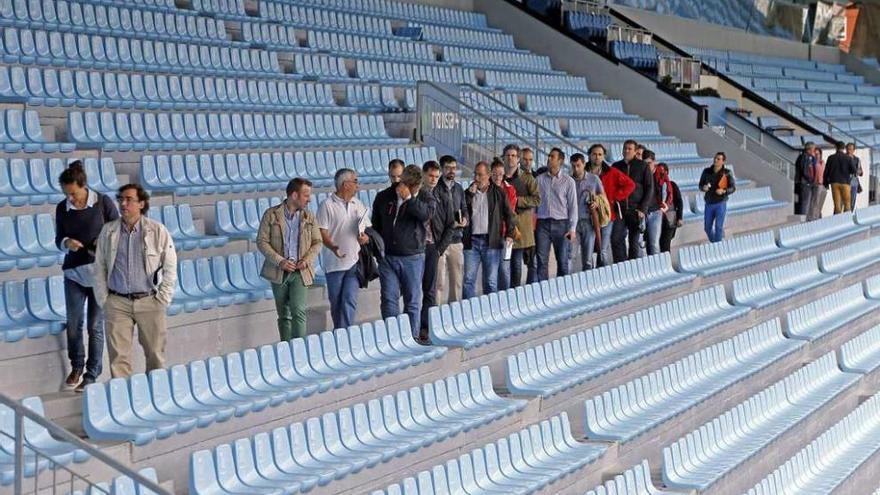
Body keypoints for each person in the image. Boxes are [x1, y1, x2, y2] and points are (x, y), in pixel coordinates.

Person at [93, 184, 176, 379]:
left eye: (129, 199)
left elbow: (170, 265)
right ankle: (124, 404)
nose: (123, 203)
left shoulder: (157, 230)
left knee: (155, 355)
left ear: (142, 203)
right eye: (121, 199)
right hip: (117, 302)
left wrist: (163, 297)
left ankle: (157, 398)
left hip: (150, 301)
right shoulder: (108, 231)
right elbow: (99, 267)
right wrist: (104, 300)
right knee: (118, 358)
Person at [55, 161, 120, 392]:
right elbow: (58, 239)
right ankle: (76, 366)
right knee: (74, 324)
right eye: (66, 194)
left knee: (95, 326)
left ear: (83, 186)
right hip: (74, 273)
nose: (69, 198)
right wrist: (66, 243)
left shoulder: (102, 202)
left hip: (100, 276)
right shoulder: (62, 208)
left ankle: (91, 375)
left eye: (72, 193)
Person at [257, 178, 322, 341]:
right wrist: (280, 261)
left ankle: (299, 350)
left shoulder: (309, 217)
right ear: (294, 195)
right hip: (278, 270)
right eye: (306, 195)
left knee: (298, 310)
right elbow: (261, 241)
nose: (309, 199)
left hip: (300, 272)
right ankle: (286, 349)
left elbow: (317, 242)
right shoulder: (271, 215)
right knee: (283, 314)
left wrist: (306, 260)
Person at [372, 165, 430, 336]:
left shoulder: (425, 196)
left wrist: (410, 199)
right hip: (388, 257)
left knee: (412, 301)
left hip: (413, 257)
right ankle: (392, 338)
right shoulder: (384, 196)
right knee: (389, 299)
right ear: (404, 182)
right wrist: (379, 252)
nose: (416, 189)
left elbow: (426, 215)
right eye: (412, 186)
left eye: (417, 187)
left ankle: (412, 338)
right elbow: (376, 226)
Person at [317, 169, 370, 330]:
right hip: (334, 264)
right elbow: (321, 231)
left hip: (354, 262)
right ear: (345, 184)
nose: (357, 186)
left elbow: (366, 230)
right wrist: (333, 247)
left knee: (350, 300)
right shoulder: (327, 205)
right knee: (337, 302)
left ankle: (345, 335)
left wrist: (365, 238)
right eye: (355, 181)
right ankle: (339, 333)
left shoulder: (358, 204)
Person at [462, 161, 516, 299]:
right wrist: (469, 196)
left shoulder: (499, 193)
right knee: (468, 279)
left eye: (480, 175)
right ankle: (469, 312)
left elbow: (509, 215)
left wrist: (510, 234)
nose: (477, 178)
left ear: (488, 175)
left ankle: (490, 311)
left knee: (491, 281)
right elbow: (461, 212)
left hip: (491, 241)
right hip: (471, 242)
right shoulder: (468, 193)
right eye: (475, 174)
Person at [420, 161, 455, 339]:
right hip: (415, 248)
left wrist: (440, 249)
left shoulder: (444, 195)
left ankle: (426, 327)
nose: (433, 180)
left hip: (433, 247)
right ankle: (411, 326)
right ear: (424, 175)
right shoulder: (416, 193)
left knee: (430, 290)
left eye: (436, 176)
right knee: (412, 290)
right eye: (430, 176)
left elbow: (451, 224)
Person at [587, 144, 634, 267]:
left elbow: (630, 185)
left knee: (603, 249)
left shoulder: (612, 172)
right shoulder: (583, 172)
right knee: (589, 251)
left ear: (603, 156)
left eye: (600, 154)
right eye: (594, 154)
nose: (597, 157)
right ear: (589, 156)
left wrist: (614, 198)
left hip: (607, 216)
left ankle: (604, 277)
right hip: (587, 216)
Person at [535, 148, 578, 281]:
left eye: (552, 156)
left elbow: (573, 206)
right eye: (549, 156)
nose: (549, 159)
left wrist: (572, 229)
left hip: (561, 224)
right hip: (542, 224)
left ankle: (562, 292)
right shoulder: (539, 180)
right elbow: (534, 203)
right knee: (542, 262)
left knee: (562, 261)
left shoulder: (568, 181)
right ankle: (543, 294)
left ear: (560, 160)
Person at [503, 144, 541, 287]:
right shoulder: (499, 177)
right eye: (508, 155)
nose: (510, 158)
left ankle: (515, 292)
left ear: (518, 159)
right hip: (502, 226)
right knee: (504, 264)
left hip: (520, 226)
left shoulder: (527, 178)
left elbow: (537, 199)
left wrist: (518, 201)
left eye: (513, 156)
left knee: (517, 263)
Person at [611, 140, 654, 261]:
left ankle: (632, 267)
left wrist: (643, 208)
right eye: (625, 148)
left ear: (635, 152)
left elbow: (649, 188)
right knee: (616, 238)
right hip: (620, 210)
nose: (626, 151)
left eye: (630, 149)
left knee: (634, 242)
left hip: (636, 210)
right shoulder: (616, 166)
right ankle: (621, 266)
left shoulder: (643, 166)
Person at [434, 155, 467, 305]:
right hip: (439, 242)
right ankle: (435, 316)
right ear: (441, 169)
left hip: (456, 240)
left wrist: (465, 219)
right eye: (448, 168)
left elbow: (465, 208)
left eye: (454, 168)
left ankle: (453, 317)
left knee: (456, 282)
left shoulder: (459, 188)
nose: (452, 171)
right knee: (438, 283)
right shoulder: (435, 188)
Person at [570, 153, 604, 271]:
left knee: (588, 258)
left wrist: (597, 203)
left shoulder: (594, 179)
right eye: (573, 166)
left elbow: (603, 198)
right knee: (570, 256)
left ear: (584, 164)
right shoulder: (568, 181)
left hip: (589, 222)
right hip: (572, 224)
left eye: (578, 165)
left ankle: (589, 284)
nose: (576, 169)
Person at [491, 158, 518, 289]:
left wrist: (510, 234)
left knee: (504, 268)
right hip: (490, 235)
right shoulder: (486, 189)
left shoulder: (510, 190)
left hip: (506, 234)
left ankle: (504, 298)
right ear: (490, 174)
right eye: (495, 174)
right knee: (491, 271)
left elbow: (510, 213)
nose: (497, 177)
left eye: (500, 174)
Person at [699, 152, 736, 242]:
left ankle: (717, 246)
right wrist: (703, 188)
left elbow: (733, 188)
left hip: (720, 203)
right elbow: (700, 185)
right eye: (715, 158)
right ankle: (715, 243)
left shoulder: (727, 173)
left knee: (718, 227)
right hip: (709, 203)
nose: (715, 160)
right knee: (707, 228)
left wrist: (723, 191)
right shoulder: (706, 171)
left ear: (723, 161)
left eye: (718, 159)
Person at [644, 149, 672, 256]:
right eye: (645, 163)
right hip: (643, 211)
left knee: (654, 243)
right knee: (641, 243)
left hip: (656, 211)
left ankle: (656, 266)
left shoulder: (661, 172)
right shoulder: (641, 172)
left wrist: (666, 205)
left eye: (649, 163)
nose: (647, 166)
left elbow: (669, 190)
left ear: (654, 161)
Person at [823, 141, 857, 214]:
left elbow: (826, 171)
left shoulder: (831, 158)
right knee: (847, 203)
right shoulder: (848, 158)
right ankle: (846, 220)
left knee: (837, 204)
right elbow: (854, 170)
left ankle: (837, 221)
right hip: (845, 183)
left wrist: (825, 183)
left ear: (836, 147)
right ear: (844, 148)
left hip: (834, 182)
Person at [658, 163, 684, 252]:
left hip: (670, 218)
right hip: (658, 217)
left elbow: (679, 201)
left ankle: (666, 263)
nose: (660, 173)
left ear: (666, 172)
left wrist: (680, 217)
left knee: (665, 244)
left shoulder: (672, 185)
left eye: (662, 170)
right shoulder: (655, 185)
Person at [794, 142, 816, 216]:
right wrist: (811, 180)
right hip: (805, 183)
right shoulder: (804, 157)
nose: (814, 151)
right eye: (813, 149)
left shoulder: (808, 157)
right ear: (809, 149)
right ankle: (802, 219)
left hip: (806, 183)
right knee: (805, 203)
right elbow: (805, 171)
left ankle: (804, 218)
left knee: (806, 203)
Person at [807, 147, 826, 221]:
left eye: (818, 154)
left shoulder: (822, 162)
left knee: (818, 201)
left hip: (820, 184)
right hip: (814, 183)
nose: (817, 155)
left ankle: (816, 215)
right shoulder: (811, 163)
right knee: (813, 201)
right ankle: (812, 217)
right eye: (815, 154)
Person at [846, 142, 862, 211]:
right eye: (848, 149)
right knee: (845, 201)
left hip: (854, 182)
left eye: (851, 149)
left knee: (852, 201)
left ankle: (850, 215)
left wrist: (859, 171)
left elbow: (861, 172)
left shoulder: (857, 159)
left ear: (853, 150)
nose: (849, 151)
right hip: (845, 182)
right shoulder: (843, 158)